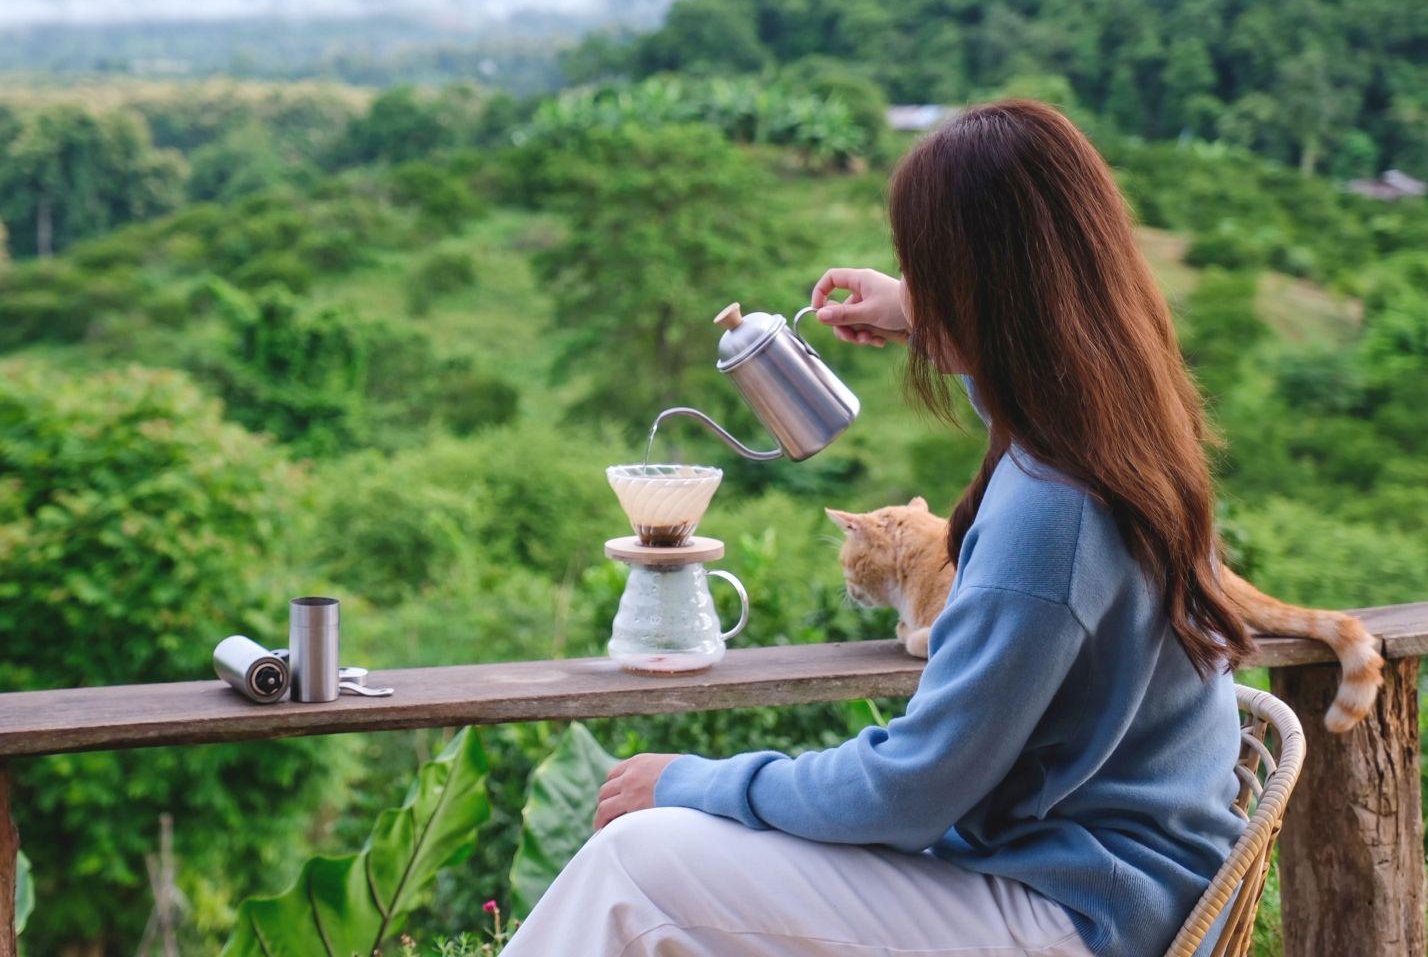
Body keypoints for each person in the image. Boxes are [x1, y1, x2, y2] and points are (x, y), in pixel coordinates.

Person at [503, 100, 1248, 957]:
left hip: (1079, 916)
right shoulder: (1116, 425)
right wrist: (911, 309)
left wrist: (696, 780)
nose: (913, 282)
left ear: (988, 286)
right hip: (1117, 882)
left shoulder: (1051, 512)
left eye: (926, 265)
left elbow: (911, 790)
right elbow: (1016, 380)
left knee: (637, 864)